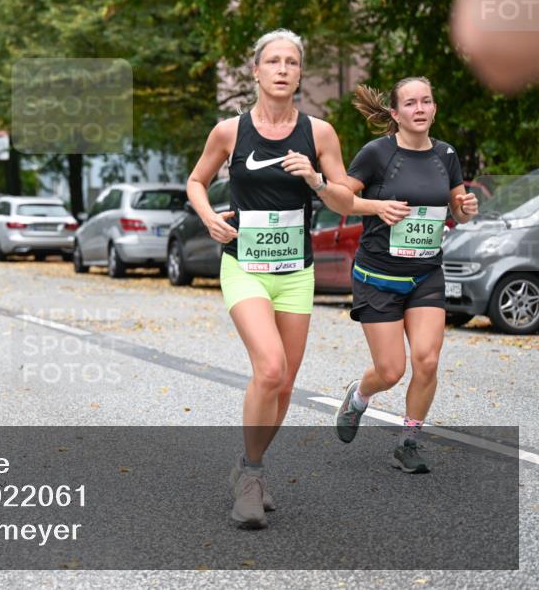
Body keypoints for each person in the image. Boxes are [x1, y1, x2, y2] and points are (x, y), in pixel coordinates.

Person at [186, 29, 353, 528]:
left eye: (292, 62)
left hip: (296, 271)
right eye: (273, 61)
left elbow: (346, 199)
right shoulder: (229, 131)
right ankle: (253, 477)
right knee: (271, 368)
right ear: (255, 71)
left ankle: (245, 467)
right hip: (244, 266)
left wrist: (317, 180)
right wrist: (208, 216)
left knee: (284, 385)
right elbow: (195, 181)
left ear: (300, 73)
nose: (282, 69)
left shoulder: (319, 134)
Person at [334, 78, 478, 473]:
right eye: (410, 103)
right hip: (378, 275)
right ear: (395, 114)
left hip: (426, 273)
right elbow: (340, 197)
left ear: (433, 109)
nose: (420, 108)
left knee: (427, 361)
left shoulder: (446, 154)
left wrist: (465, 207)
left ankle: (409, 441)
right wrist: (376, 206)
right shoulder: (377, 153)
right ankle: (359, 397)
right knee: (391, 371)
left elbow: (458, 210)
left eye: (426, 101)